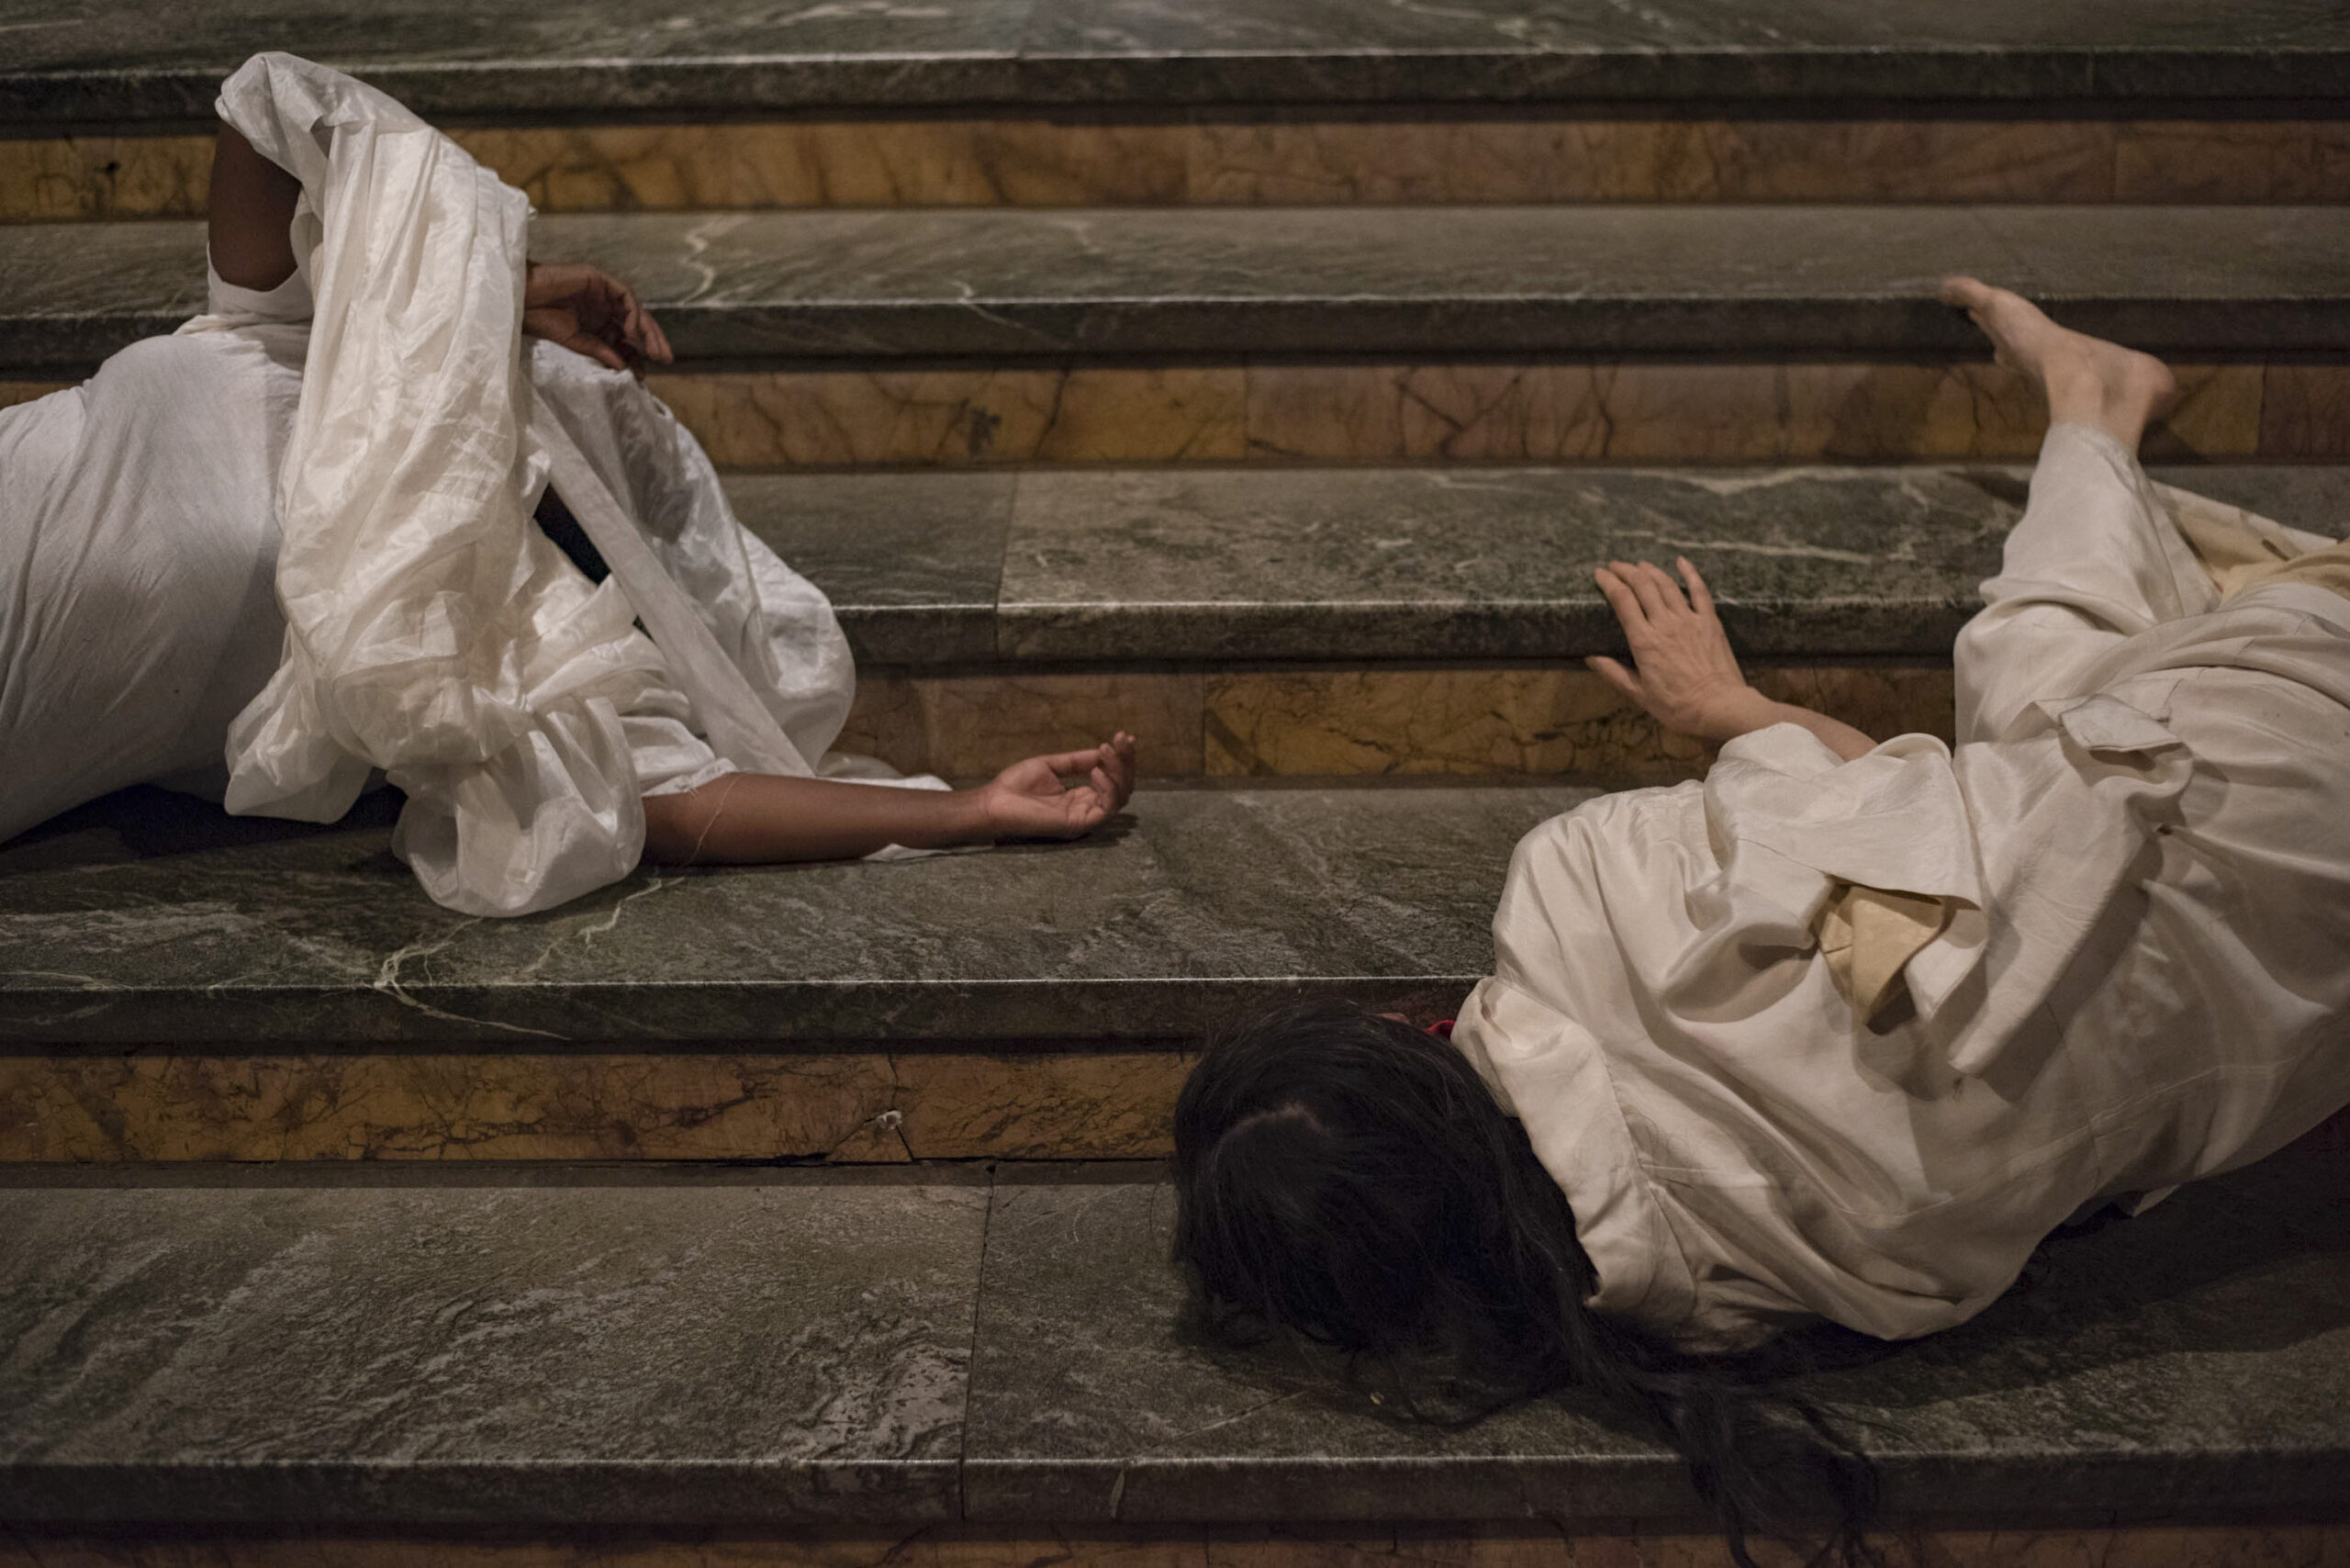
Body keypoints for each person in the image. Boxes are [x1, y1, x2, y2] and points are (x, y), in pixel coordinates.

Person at [1172, 279, 2350, 1562]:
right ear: (1408, 1044)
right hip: (2278, 769)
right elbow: (1904, 811)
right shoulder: (1581, 899)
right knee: (2027, 679)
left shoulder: (1720, 1305)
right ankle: (2096, 403)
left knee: (2035, 697)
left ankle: (2098, 408)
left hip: (2299, 1012)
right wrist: (1731, 708)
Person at [0, 53, 1135, 913]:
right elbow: (269, 105)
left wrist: (966, 809)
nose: (574, 391)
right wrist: (493, 284)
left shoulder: (498, 636)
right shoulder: (302, 332)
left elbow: (675, 800)